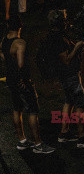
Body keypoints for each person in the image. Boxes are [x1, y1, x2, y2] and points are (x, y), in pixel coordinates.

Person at [0, 15, 55, 153]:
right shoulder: (20, 43)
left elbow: (2, 54)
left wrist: (8, 63)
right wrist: (22, 81)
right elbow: (20, 64)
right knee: (32, 110)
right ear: (20, 26)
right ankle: (38, 144)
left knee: (17, 108)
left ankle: (22, 140)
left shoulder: (4, 39)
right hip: (21, 81)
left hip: (10, 79)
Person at [46, 10, 84, 148]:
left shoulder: (55, 35)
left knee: (69, 102)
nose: (66, 22)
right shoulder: (58, 39)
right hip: (69, 75)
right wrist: (77, 47)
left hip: (65, 75)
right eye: (64, 20)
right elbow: (66, 60)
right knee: (80, 103)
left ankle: (64, 132)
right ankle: (82, 136)